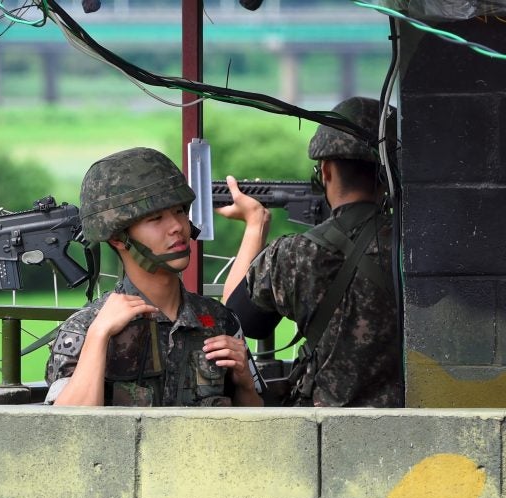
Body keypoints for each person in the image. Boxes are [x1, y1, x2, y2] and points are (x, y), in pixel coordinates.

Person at [217, 96, 403, 408]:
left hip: (325, 430)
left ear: (326, 171)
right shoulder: (416, 250)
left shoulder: (292, 256)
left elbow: (237, 320)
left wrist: (255, 224)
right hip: (417, 424)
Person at [45, 147, 264, 407]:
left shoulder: (220, 320)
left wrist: (244, 384)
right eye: (156, 218)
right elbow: (67, 432)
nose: (177, 227)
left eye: (180, 212)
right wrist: (98, 336)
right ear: (117, 237)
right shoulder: (85, 329)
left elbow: (255, 428)